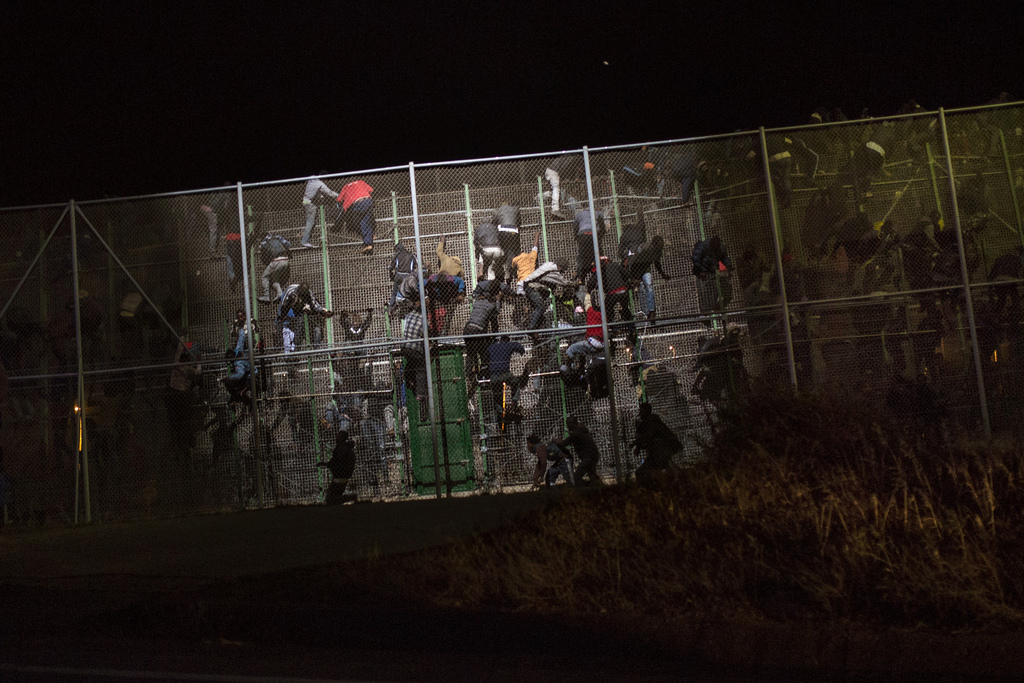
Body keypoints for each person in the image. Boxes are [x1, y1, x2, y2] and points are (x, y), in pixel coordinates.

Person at [463, 282, 500, 399]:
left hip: (468, 329)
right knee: (484, 354)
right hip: (477, 331)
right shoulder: (491, 305)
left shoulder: (477, 302)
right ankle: (483, 376)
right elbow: (496, 314)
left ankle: (469, 374)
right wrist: (498, 300)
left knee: (471, 352)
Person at [624, 234, 670, 323]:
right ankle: (645, 313)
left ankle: (651, 311)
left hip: (645, 270)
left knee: (649, 286)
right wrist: (635, 277)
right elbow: (635, 262)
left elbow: (657, 263)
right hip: (636, 269)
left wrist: (662, 274)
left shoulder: (658, 251)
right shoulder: (646, 249)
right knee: (641, 289)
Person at [276, 283, 334, 353]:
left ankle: (295, 346)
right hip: (288, 303)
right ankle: (279, 345)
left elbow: (314, 305)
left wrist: (322, 311)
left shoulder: (309, 294)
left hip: (299, 308)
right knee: (281, 321)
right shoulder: (290, 291)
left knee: (301, 321)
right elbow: (284, 305)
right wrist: (283, 315)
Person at [633, 402, 683, 482]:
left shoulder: (651, 422)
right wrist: (638, 445)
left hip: (659, 454)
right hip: (658, 454)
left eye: (641, 411)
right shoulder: (649, 422)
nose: (640, 413)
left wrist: (637, 443)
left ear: (646, 411)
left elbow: (648, 435)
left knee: (642, 473)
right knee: (669, 469)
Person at [521, 257, 572, 330]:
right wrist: (575, 283)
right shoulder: (553, 271)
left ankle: (533, 319)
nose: (562, 272)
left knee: (544, 297)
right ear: (560, 267)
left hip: (529, 284)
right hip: (531, 286)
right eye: (563, 270)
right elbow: (563, 282)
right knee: (540, 307)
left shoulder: (549, 265)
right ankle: (531, 327)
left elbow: (548, 281)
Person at [487, 335, 526, 427]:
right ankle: (514, 402)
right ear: (508, 340)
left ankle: (501, 412)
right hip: (505, 374)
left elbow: (486, 354)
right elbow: (521, 349)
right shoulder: (509, 345)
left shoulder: (492, 346)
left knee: (497, 392)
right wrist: (520, 351)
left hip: (493, 376)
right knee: (516, 383)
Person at [552, 416, 602, 487]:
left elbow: (564, 443)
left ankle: (584, 492)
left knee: (576, 478)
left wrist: (554, 440)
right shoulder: (582, 431)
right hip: (593, 456)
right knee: (593, 477)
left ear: (571, 425)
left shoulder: (576, 434)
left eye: (568, 424)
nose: (567, 426)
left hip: (588, 458)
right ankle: (597, 489)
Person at [335, 179, 375, 255]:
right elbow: (371, 190)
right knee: (366, 221)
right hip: (368, 201)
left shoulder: (346, 186)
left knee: (354, 221)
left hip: (358, 204)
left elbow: (339, 199)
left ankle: (367, 236)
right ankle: (369, 243)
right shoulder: (360, 182)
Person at [299, 173, 339, 248]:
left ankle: (305, 238)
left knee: (311, 222)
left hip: (306, 201)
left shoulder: (312, 178)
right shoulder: (320, 183)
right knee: (310, 222)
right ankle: (305, 241)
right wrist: (338, 196)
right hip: (310, 204)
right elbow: (329, 192)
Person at [317, 429, 356, 504]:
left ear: (342, 438)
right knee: (336, 496)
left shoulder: (341, 448)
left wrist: (328, 465)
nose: (336, 437)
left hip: (339, 476)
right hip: (344, 476)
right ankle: (350, 498)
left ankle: (352, 497)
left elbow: (336, 461)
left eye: (338, 436)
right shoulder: (346, 448)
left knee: (330, 499)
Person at [573, 202, 608, 281]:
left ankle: (580, 277)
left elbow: (575, 226)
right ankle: (600, 272)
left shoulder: (579, 215)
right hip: (594, 235)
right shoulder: (597, 213)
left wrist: (576, 237)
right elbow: (602, 225)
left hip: (583, 235)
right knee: (598, 254)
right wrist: (600, 236)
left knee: (582, 255)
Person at [544, 154, 583, 220]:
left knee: (555, 190)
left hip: (550, 171)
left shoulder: (566, 157)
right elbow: (565, 168)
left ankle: (544, 197)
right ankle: (555, 209)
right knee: (556, 189)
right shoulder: (569, 157)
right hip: (553, 172)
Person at [257, 232, 292, 303]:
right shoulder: (278, 237)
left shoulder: (265, 241)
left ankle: (266, 296)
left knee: (265, 277)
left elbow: (261, 248)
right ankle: (279, 293)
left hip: (276, 260)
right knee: (274, 279)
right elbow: (288, 244)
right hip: (286, 260)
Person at [387, 242, 418, 308]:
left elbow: (391, 267)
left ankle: (391, 307)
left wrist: (392, 277)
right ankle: (412, 307)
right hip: (408, 276)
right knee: (410, 293)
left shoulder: (397, 255)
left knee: (394, 292)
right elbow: (416, 266)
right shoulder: (411, 255)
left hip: (398, 275)